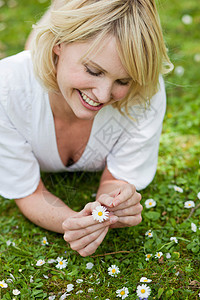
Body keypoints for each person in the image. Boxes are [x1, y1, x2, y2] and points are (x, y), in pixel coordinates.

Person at [0, 0, 173, 257]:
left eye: (122, 80)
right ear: (60, 43)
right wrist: (72, 222)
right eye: (93, 70)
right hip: (36, 66)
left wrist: (113, 202)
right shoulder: (7, 90)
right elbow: (28, 192)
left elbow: (116, 178)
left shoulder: (144, 94)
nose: (103, 95)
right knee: (34, 58)